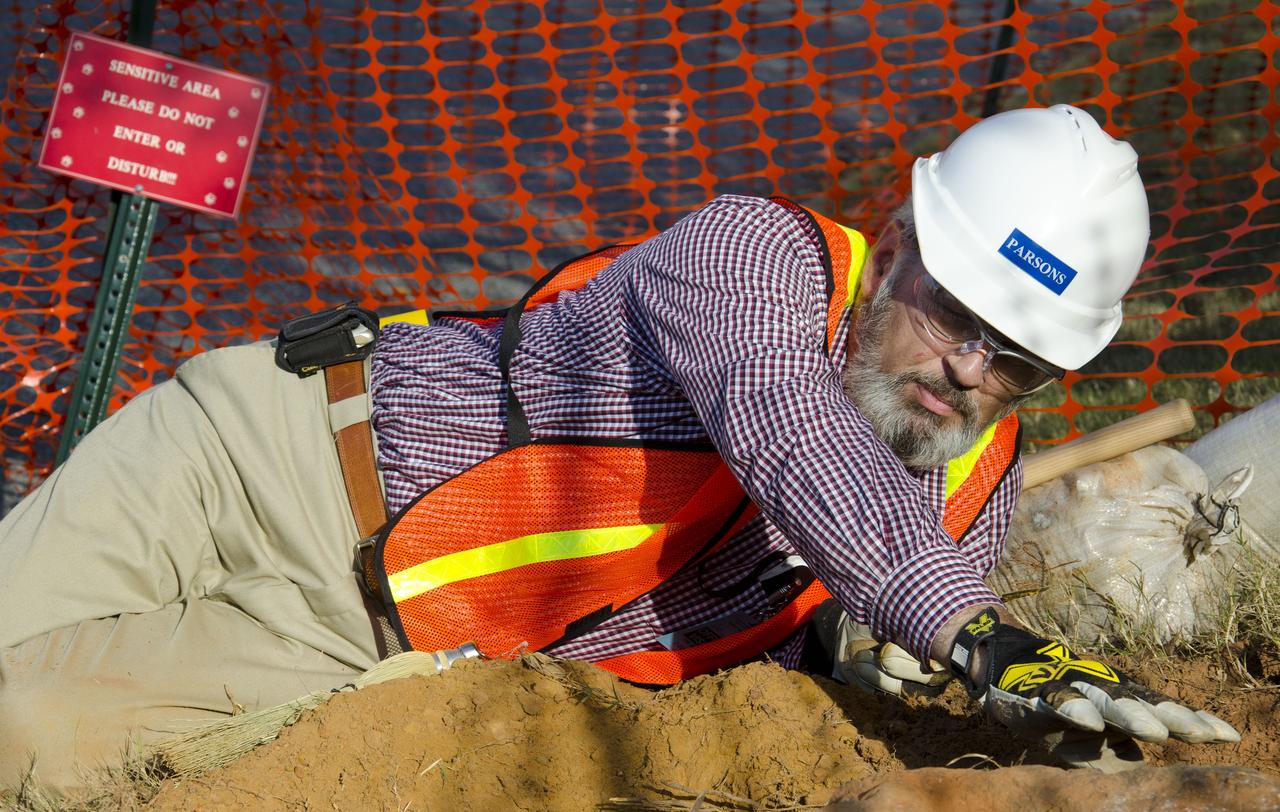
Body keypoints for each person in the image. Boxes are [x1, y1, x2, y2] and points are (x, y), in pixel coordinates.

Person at [0, 104, 1238, 790]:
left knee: (21, 736)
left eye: (1014, 357)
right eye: (956, 311)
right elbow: (790, 432)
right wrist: (975, 631)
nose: (967, 367)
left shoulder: (967, 492)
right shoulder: (754, 258)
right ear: (901, 244)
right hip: (255, 459)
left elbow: (870, 631)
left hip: (356, 639)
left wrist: (1044, 725)